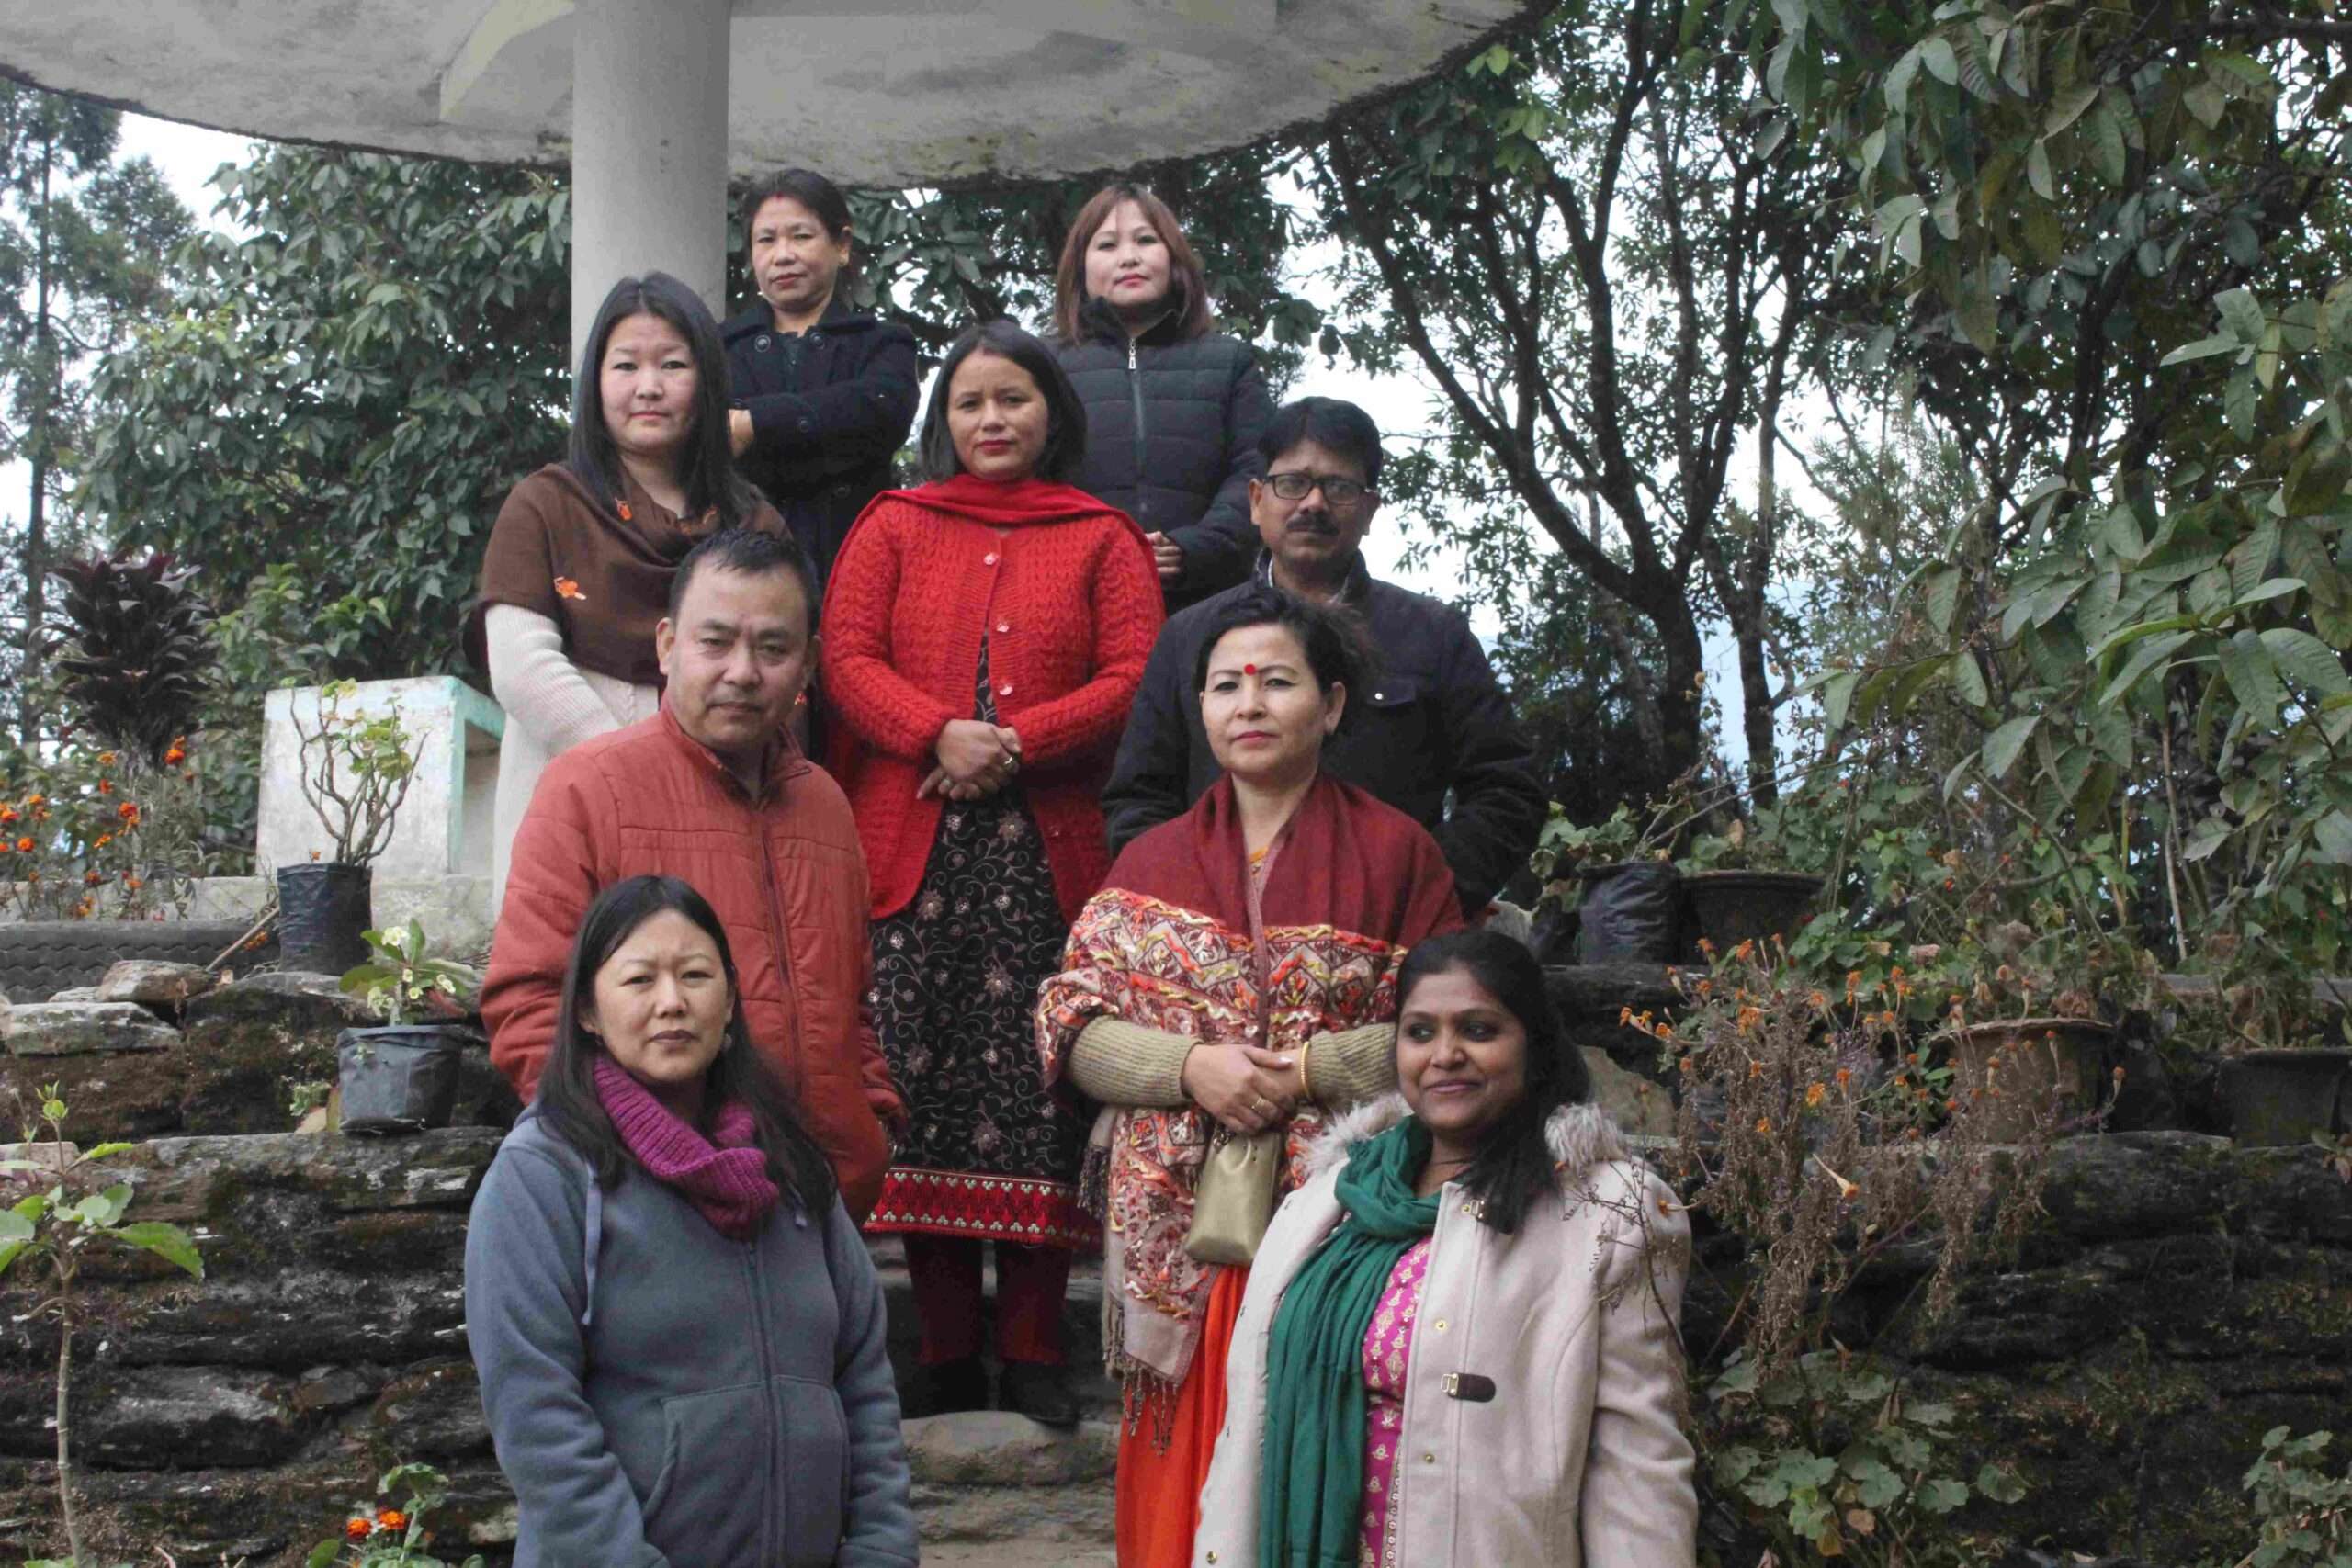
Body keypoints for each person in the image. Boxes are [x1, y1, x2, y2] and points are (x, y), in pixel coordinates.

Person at [1037, 587, 1464, 1568]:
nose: (1250, 703)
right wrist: (1194, 1068)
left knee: (1310, 1467)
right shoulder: (1147, 861)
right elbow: (1071, 1027)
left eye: (1277, 681)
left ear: (1333, 703)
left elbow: (1451, 1027)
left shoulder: (1399, 854)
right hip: (1183, 1230)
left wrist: (1311, 1068)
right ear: (1200, 709)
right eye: (1226, 685)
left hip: (1339, 1223)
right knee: (1179, 1481)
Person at [821, 318, 1163, 1426]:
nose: (991, 418)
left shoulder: (1101, 537)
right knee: (918, 1086)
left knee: (1037, 1091)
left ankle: (1030, 1348)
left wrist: (1013, 742)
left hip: (1043, 859)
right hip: (911, 857)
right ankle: (944, 1351)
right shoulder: (893, 522)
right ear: (943, 421)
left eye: (1012, 398)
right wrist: (935, 733)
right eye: (969, 402)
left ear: (1051, 413)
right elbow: (844, 656)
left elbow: (1136, 675)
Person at [1190, 927, 1696, 1567]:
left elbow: (1636, 1463)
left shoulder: (1606, 1214)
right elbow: (1246, 1430)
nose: (1445, 1054)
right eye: (1420, 1032)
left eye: (1479, 1031)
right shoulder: (1329, 1199)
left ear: (1536, 1046)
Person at [466, 875, 917, 1568]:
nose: (672, 1001)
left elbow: (863, 1380)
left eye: (696, 975)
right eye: (639, 979)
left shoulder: (791, 1169)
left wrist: (882, 1548)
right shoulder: (546, 1175)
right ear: (587, 1010)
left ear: (730, 1001)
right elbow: (535, 1412)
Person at [481, 527, 904, 1224]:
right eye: (716, 642)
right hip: (663, 1203)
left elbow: (853, 1001)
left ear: (808, 665)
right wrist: (645, 1160)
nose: (743, 672)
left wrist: (873, 1121)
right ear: (667, 645)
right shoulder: (589, 788)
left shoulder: (825, 804)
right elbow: (528, 1006)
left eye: (773, 649)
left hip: (827, 1202)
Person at [1102, 395, 1548, 919]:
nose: (1313, 503)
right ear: (1255, 500)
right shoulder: (1188, 635)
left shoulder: (1431, 633)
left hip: (1392, 937)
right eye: (1292, 483)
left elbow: (1507, 788)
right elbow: (1138, 797)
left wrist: (1419, 893)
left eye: (1338, 487)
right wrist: (1197, 908)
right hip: (1212, 932)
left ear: (1370, 509)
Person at [471, 272, 786, 901]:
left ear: (707, 380)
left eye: (673, 364)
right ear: (595, 382)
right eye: (625, 366)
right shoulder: (545, 504)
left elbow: (788, 664)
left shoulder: (755, 522)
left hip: (727, 803)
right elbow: (520, 665)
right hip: (570, 799)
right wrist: (641, 776)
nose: (649, 386)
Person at [1050, 182, 1273, 613]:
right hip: (1076, 600)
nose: (1128, 257)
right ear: (1080, 269)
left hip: (1211, 604)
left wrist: (1191, 549)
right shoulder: (1046, 366)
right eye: (1107, 245)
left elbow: (1256, 469)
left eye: (1146, 240)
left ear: (1175, 259)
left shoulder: (1229, 361)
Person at [722, 168, 920, 589]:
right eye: (766, 240)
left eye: (801, 236)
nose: (782, 255)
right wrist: (823, 431)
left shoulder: (882, 343)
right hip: (738, 573)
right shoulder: (717, 348)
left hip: (856, 567)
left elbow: (878, 412)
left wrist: (754, 423)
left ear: (842, 245)